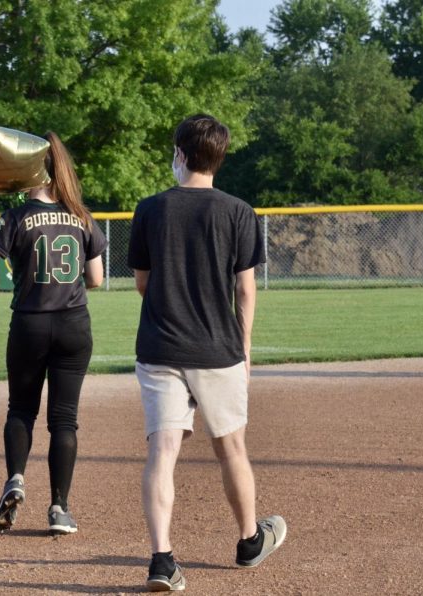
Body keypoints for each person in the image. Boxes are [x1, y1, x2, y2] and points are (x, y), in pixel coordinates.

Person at [127, 114, 287, 592]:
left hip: (159, 346)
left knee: (163, 449)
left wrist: (168, 307)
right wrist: (245, 345)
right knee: (231, 447)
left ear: (180, 155)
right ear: (219, 158)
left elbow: (142, 282)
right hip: (219, 349)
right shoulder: (239, 211)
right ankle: (248, 541)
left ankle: (161, 560)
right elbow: (245, 290)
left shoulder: (150, 209)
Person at [0, 132, 107, 535]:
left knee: (21, 410)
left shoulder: (15, 218)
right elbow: (97, 279)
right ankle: (59, 508)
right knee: (64, 420)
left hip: (31, 323)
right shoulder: (82, 216)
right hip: (73, 325)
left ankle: (15, 479)